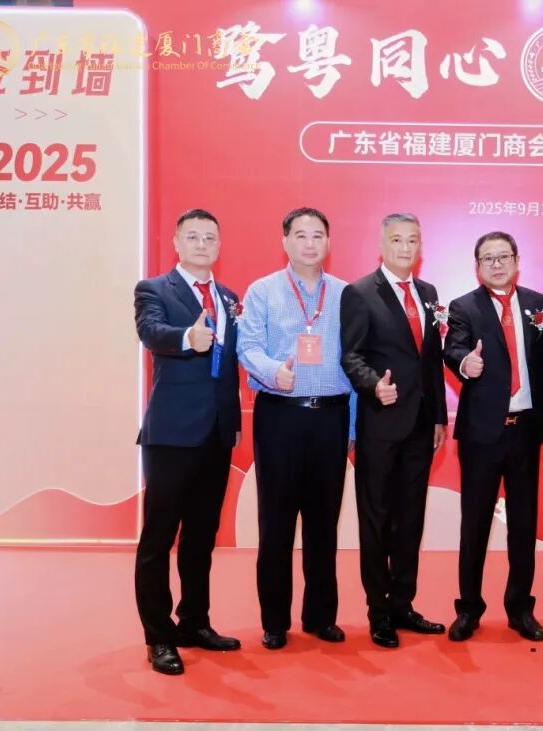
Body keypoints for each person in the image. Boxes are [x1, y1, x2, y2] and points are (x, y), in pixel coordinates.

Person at [237, 207, 355, 650]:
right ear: (284, 241)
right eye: (300, 235)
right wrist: (273, 372)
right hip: (280, 416)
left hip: (331, 417)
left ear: (329, 242)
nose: (309, 243)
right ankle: (274, 621)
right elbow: (248, 347)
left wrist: (353, 426)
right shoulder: (263, 290)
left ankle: (321, 617)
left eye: (318, 235)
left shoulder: (345, 294)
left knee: (324, 522)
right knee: (277, 523)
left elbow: (355, 360)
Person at [133, 208, 242, 675]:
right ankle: (159, 637)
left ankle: (194, 622)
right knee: (158, 540)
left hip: (217, 435)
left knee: (201, 537)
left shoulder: (228, 297)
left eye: (210, 237)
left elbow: (232, 364)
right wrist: (187, 338)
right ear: (177, 243)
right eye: (192, 237)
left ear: (219, 245)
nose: (202, 244)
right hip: (172, 435)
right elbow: (151, 332)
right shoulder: (154, 289)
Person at [443, 231, 543, 642]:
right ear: (477, 266)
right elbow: (453, 348)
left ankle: (520, 608)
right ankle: (469, 609)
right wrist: (465, 364)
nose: (496, 264)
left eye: (503, 257)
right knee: (475, 523)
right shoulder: (464, 307)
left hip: (525, 429)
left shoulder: (537, 304)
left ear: (516, 261)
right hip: (482, 433)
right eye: (488, 258)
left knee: (523, 524)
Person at [340, 212, 448, 648]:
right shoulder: (360, 293)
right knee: (377, 519)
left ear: (420, 248)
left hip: (421, 426)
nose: (405, 248)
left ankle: (403, 604)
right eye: (398, 240)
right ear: (382, 245)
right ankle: (379, 612)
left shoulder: (429, 293)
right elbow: (351, 356)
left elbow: (431, 361)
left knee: (410, 519)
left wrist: (438, 416)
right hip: (381, 424)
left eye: (413, 240)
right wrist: (373, 386)